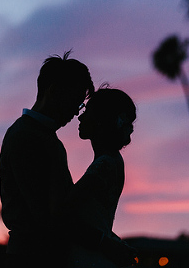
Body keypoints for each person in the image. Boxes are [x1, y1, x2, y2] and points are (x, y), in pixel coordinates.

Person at [0, 52, 134, 268]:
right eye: (76, 102)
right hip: (33, 257)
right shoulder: (28, 136)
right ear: (54, 92)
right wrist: (104, 243)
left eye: (81, 106)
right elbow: (49, 215)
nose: (76, 113)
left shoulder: (42, 137)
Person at [67, 87, 137, 267]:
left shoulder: (103, 166)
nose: (80, 117)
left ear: (100, 121)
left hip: (88, 258)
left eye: (88, 112)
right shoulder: (113, 161)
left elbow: (63, 211)